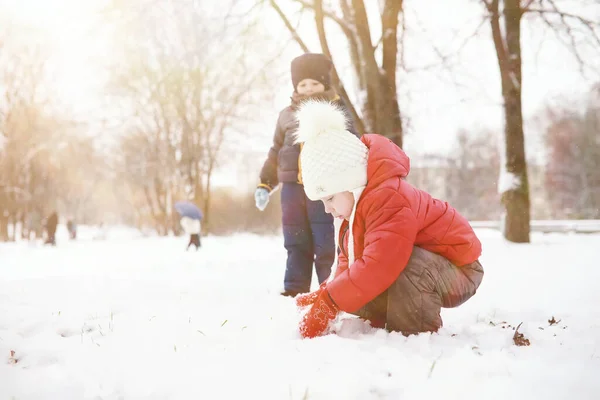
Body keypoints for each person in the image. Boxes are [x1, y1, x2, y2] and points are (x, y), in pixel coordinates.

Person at [293, 101, 484, 338]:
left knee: (397, 264)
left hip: (459, 271)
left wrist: (331, 301)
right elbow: (348, 260)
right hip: (424, 264)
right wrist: (329, 291)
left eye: (330, 198)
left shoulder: (388, 198)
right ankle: (387, 314)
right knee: (356, 288)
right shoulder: (353, 210)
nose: (328, 209)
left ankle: (416, 332)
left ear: (351, 183)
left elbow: (380, 264)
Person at [255, 53, 358, 297]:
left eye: (314, 83)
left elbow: (352, 143)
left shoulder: (337, 110)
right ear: (295, 86)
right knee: (295, 239)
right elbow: (276, 151)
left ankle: (329, 288)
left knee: (326, 241)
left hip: (325, 188)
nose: (308, 89)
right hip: (292, 189)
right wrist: (265, 183)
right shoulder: (286, 115)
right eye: (302, 84)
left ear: (324, 83)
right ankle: (294, 288)